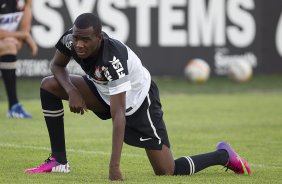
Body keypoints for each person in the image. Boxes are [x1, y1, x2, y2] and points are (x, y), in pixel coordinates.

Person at [24, 13, 250, 180]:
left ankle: (222, 155)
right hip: (101, 90)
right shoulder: (70, 40)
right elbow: (57, 65)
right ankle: (59, 161)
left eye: (86, 40)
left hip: (138, 102)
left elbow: (119, 114)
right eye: (76, 38)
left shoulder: (114, 61)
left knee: (167, 171)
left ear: (100, 37)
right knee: (49, 86)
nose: (79, 44)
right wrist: (72, 91)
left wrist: (114, 167)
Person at [0, 0, 38, 118]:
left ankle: (14, 107)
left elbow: (22, 35)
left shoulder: (26, 2)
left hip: (6, 41)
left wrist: (18, 37)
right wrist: (24, 36)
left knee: (9, 46)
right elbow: (24, 34)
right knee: (7, 46)